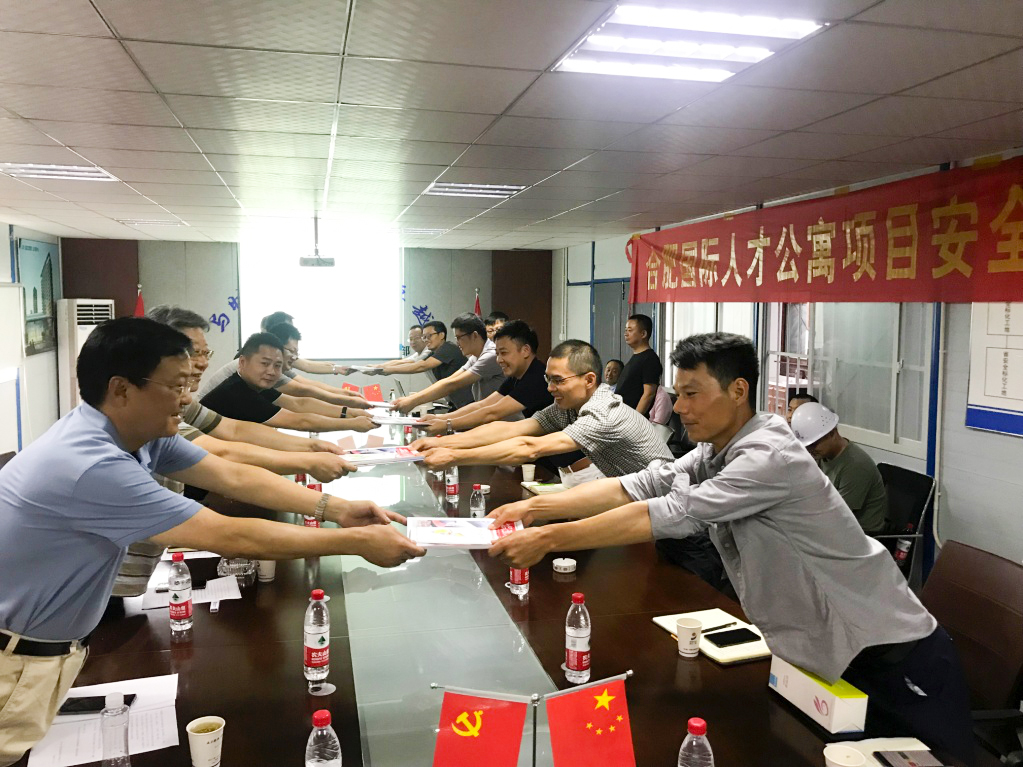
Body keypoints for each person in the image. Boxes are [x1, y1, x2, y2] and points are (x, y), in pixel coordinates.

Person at [487, 332, 972, 764]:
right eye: (678, 393)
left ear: (738, 390)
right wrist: (536, 509)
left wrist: (548, 537)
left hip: (889, 656)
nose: (679, 408)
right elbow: (641, 485)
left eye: (692, 394)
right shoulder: (714, 450)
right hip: (820, 652)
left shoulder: (768, 456)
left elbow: (671, 513)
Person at [0, 317, 426, 765]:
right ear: (121, 389)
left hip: (46, 651)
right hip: (15, 663)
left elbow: (232, 475)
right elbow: (229, 534)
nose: (188, 398)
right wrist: (355, 542)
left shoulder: (137, 435)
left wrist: (337, 510)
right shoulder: (91, 464)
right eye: (176, 386)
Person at [413, 340, 673, 487]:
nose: (550, 388)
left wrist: (454, 456)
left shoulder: (602, 413)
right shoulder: (568, 407)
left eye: (558, 380)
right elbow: (512, 429)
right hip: (639, 496)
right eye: (548, 379)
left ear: (589, 380)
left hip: (669, 502)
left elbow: (530, 448)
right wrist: (444, 442)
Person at [411, 320, 587, 475]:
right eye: (497, 353)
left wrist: (450, 444)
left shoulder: (537, 378)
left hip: (569, 468)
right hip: (553, 465)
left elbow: (496, 417)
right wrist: (443, 434)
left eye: (559, 380)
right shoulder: (554, 408)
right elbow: (492, 415)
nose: (550, 387)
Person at [200, 333, 374, 431]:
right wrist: (351, 423)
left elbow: (299, 404)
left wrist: (347, 412)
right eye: (264, 364)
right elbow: (299, 420)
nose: (271, 371)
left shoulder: (255, 384)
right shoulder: (237, 392)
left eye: (277, 366)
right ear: (243, 362)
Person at [791, 402, 889, 535]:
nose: (810, 450)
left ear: (832, 433)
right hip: (836, 526)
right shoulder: (821, 455)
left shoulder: (856, 466)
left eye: (814, 444)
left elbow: (837, 515)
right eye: (806, 446)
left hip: (861, 535)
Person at [392, 313, 503, 414]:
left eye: (459, 338)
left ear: (474, 335)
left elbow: (452, 384)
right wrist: (411, 399)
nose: (457, 342)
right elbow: (449, 380)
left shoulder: (490, 355)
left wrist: (413, 401)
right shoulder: (476, 356)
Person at [376, 320, 471, 409]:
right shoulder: (432, 353)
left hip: (469, 402)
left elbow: (422, 366)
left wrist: (387, 370)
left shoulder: (448, 348)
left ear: (441, 335)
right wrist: (381, 367)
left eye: (429, 336)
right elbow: (414, 363)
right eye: (424, 337)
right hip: (457, 403)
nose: (426, 340)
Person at [615, 314, 663, 416]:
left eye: (630, 330)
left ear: (643, 334)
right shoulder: (636, 356)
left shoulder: (650, 359)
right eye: (625, 330)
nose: (626, 334)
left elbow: (648, 394)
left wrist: (635, 419)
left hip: (632, 419)